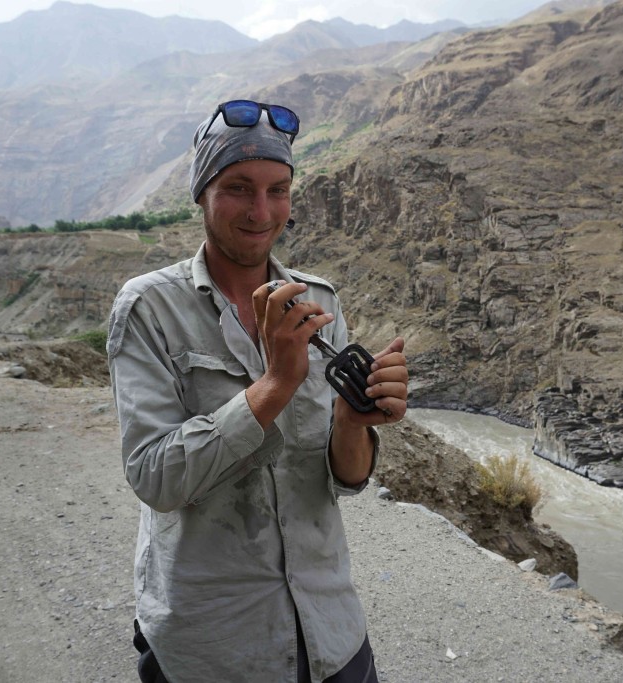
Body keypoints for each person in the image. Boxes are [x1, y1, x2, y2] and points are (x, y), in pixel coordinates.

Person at [106, 99, 409, 683]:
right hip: (212, 643)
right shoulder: (149, 308)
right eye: (239, 188)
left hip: (330, 629)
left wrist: (354, 420)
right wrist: (274, 386)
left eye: (278, 189)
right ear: (202, 193)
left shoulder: (319, 302)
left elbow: (344, 482)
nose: (261, 211)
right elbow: (154, 478)